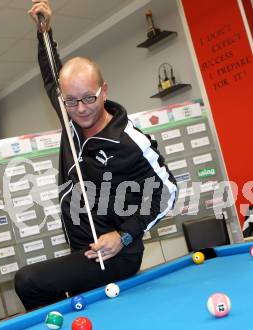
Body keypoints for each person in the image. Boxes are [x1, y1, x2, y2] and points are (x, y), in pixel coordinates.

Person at [14, 0, 178, 311]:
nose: (81, 108)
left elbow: (168, 191)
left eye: (89, 98)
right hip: (83, 251)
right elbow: (52, 73)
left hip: (118, 254)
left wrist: (124, 236)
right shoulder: (70, 117)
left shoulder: (129, 140)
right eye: (71, 101)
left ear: (104, 91)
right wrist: (44, 33)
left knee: (28, 281)